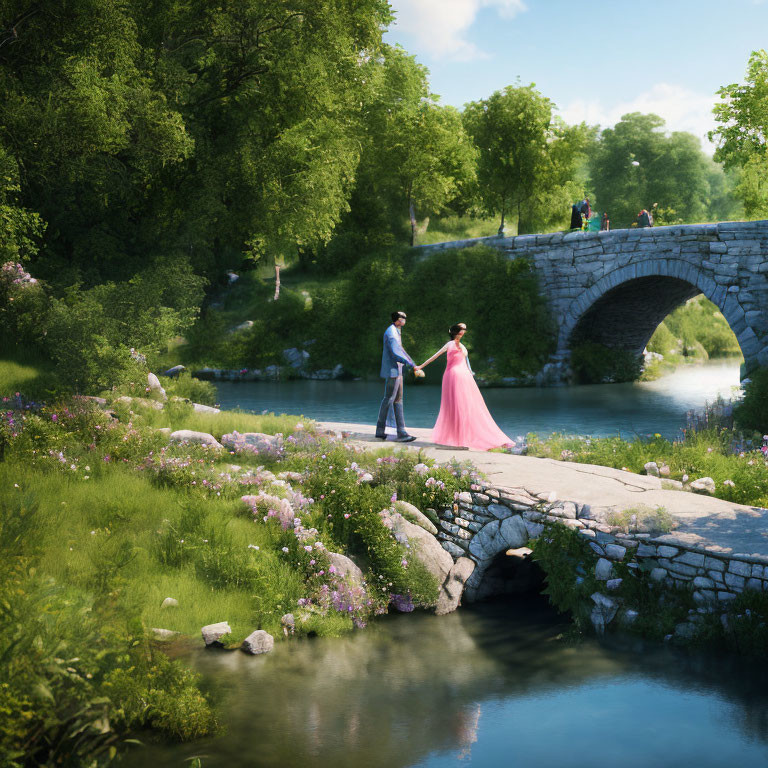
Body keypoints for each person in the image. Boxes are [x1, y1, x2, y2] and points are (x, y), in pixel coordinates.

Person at [418, 323, 513, 451]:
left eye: (464, 329)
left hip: (462, 377)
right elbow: (434, 356)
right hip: (454, 375)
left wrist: (471, 376)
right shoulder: (451, 344)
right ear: (456, 331)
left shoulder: (461, 346)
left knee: (464, 406)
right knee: (458, 406)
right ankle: (458, 438)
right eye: (461, 329)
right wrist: (420, 366)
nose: (463, 331)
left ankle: (462, 437)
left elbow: (465, 364)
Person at [375, 311, 421, 442]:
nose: (405, 319)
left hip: (397, 370)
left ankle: (383, 430)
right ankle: (399, 433)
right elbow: (396, 353)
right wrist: (411, 364)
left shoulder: (396, 331)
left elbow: (401, 350)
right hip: (393, 370)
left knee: (393, 399)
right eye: (403, 318)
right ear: (397, 320)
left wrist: (413, 363)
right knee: (393, 399)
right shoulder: (391, 333)